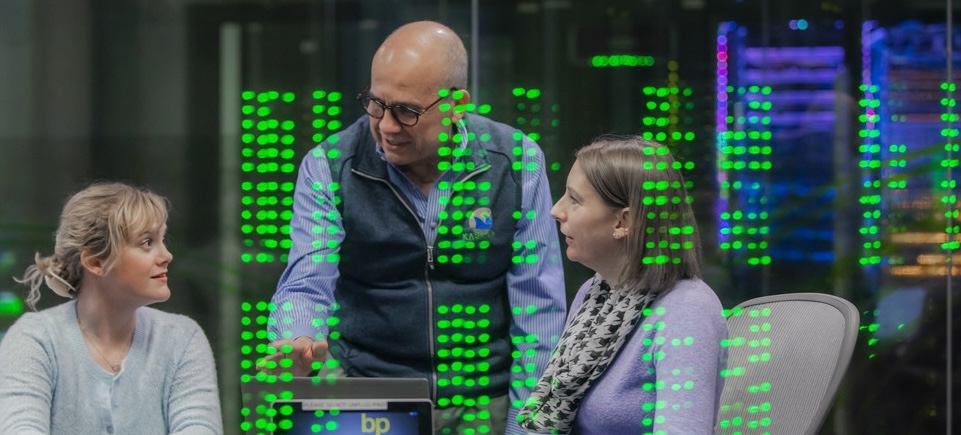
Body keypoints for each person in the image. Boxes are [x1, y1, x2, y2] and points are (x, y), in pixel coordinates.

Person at [259, 20, 567, 435]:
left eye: (407, 110)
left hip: (482, 402)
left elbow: (538, 309)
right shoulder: (329, 166)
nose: (386, 126)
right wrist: (299, 338)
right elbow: (306, 282)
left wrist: (525, 426)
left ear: (457, 104)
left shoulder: (514, 162)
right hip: (370, 399)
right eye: (375, 103)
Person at [518, 135, 728, 434]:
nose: (556, 210)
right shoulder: (596, 293)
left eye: (575, 200)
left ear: (623, 222)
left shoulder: (687, 312)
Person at [0, 182, 222, 434]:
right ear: (95, 262)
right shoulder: (34, 339)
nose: (167, 255)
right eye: (147, 242)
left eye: (163, 239)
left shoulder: (183, 338)